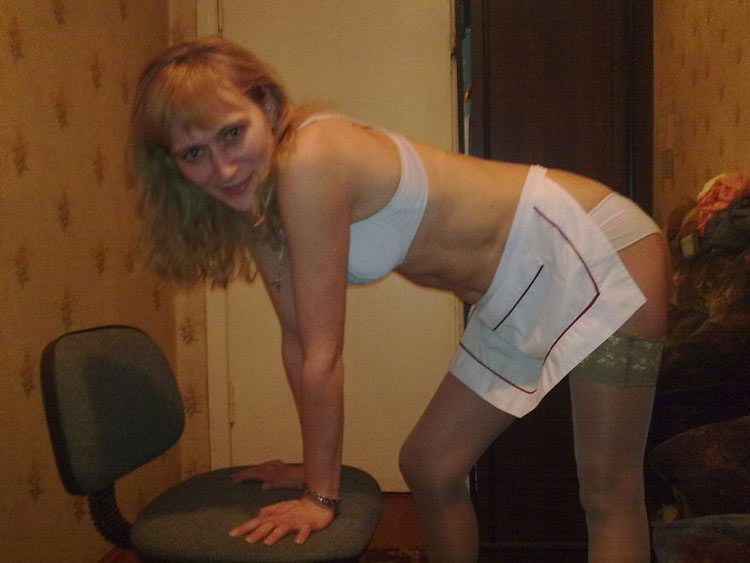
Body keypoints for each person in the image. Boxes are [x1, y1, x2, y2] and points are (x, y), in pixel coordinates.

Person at [132, 36, 671, 562]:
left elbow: (323, 355)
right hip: (516, 287)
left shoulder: (310, 158)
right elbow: (297, 344)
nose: (223, 168)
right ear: (170, 164)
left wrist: (320, 495)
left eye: (232, 133)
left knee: (608, 490)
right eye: (194, 153)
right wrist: (315, 470)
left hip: (595, 246)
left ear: (267, 106)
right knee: (430, 466)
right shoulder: (259, 201)